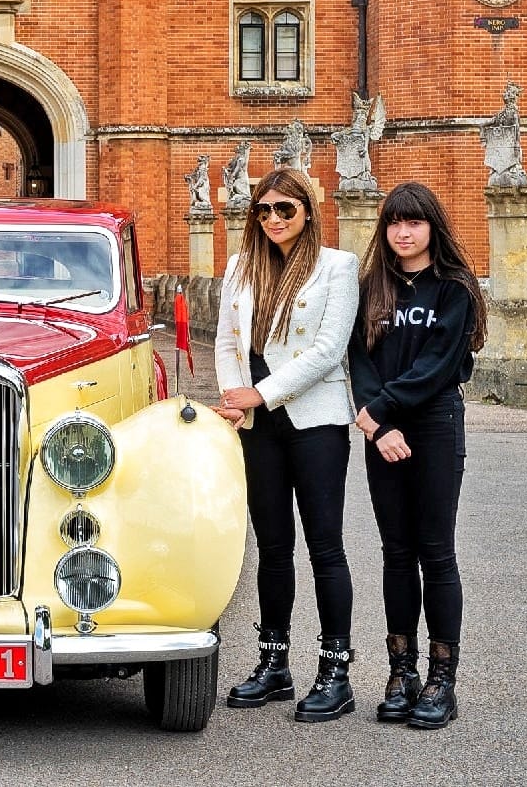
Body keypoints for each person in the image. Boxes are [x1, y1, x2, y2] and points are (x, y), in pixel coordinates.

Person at [213, 167, 359, 722]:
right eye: (264, 210)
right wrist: (235, 396)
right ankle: (274, 664)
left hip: (315, 420)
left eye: (285, 209)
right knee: (272, 547)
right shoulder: (239, 266)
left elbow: (328, 350)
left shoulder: (337, 266)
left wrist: (261, 392)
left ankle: (335, 671)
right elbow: (227, 340)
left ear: (307, 211)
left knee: (325, 547)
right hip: (258, 425)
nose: (273, 219)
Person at [348, 182, 487, 729]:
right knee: (397, 552)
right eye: (394, 223)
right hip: (384, 432)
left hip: (433, 426)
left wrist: (374, 413)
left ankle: (441, 680)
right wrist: (378, 424)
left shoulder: (453, 288)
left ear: (432, 227)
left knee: (436, 551)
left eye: (414, 222)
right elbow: (359, 358)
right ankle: (401, 672)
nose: (402, 233)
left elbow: (437, 365)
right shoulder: (372, 288)